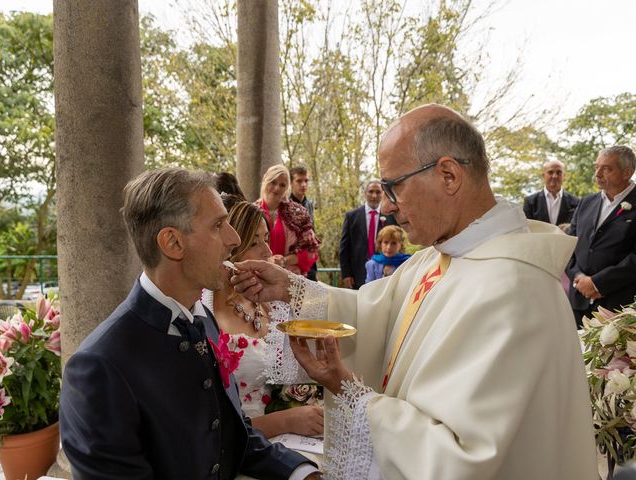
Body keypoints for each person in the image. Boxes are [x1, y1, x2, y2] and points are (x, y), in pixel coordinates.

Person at [231, 104, 597, 479]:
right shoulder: (441, 256)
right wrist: (292, 291)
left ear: (448, 175)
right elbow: (373, 312)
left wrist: (347, 390)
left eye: (394, 186)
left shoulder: (514, 289)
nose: (387, 206)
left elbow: (461, 459)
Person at [59, 168, 320, 479]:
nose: (233, 239)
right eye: (218, 226)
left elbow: (232, 436)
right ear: (173, 242)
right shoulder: (98, 367)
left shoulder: (202, 319)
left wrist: (303, 473)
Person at [202, 200, 324, 439]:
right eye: (255, 242)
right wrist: (286, 420)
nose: (267, 252)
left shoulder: (274, 306)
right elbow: (208, 425)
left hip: (289, 441)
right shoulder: (204, 312)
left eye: (266, 239)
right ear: (230, 249)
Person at [566, 145, 636, 327]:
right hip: (578, 303)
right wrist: (579, 278)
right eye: (596, 166)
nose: (597, 174)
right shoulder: (586, 203)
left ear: (628, 172)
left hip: (620, 306)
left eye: (606, 168)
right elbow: (568, 245)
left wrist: (598, 283)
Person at [256, 164, 319, 277]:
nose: (277, 188)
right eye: (273, 182)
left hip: (289, 279)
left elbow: (311, 251)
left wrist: (284, 261)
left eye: (282, 185)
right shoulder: (251, 211)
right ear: (265, 180)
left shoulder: (299, 213)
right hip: (257, 277)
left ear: (287, 188)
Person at [339, 180, 397, 289]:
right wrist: (346, 274)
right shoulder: (351, 216)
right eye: (371, 191)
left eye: (378, 192)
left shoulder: (391, 217)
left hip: (384, 274)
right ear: (365, 193)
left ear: (383, 194)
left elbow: (398, 245)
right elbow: (344, 248)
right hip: (357, 274)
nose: (374, 196)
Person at [523, 159, 579, 224]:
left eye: (559, 172)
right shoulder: (530, 202)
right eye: (550, 172)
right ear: (543, 175)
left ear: (564, 176)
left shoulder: (575, 202)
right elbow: (526, 229)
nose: (554, 176)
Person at [290, 165, 318, 281]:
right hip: (293, 261)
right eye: (299, 181)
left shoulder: (309, 204)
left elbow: (312, 233)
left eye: (306, 181)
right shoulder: (287, 205)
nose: (303, 184)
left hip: (310, 262)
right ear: (291, 183)